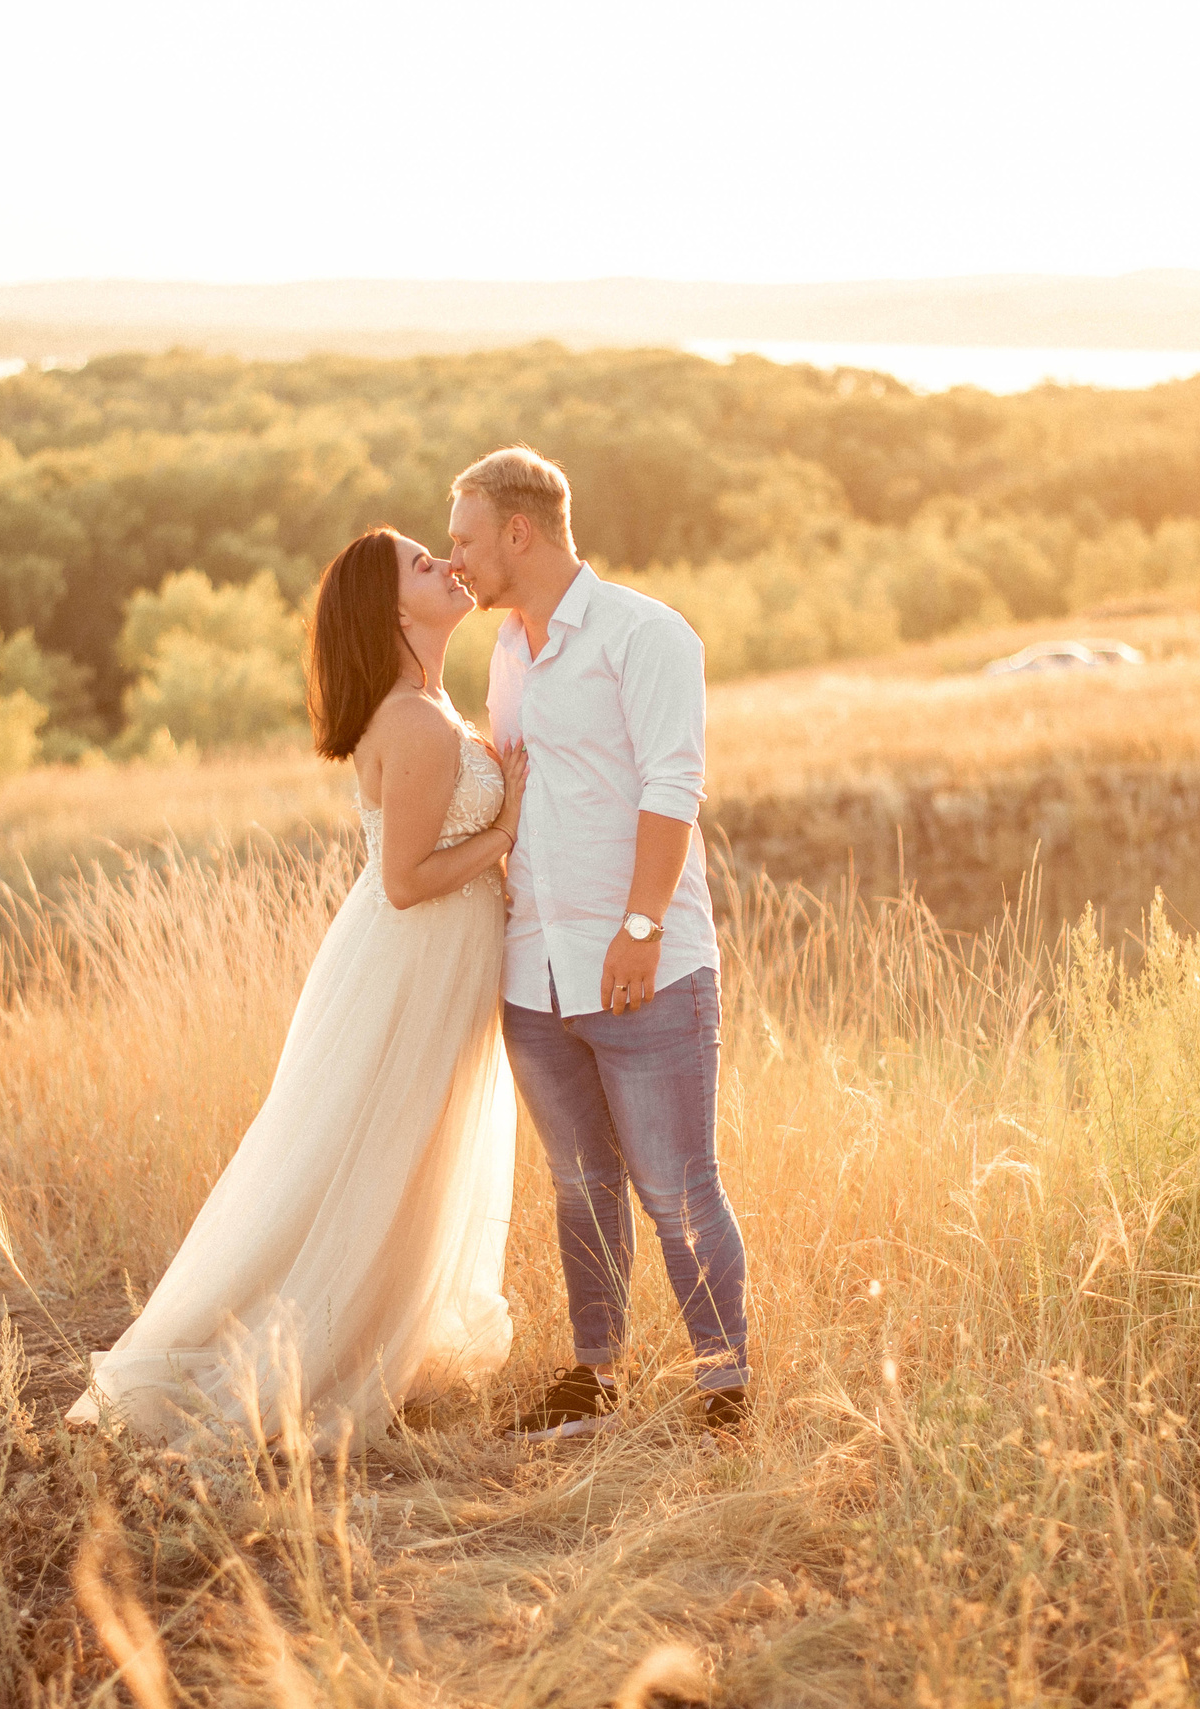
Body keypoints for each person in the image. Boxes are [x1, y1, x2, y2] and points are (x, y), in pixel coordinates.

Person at [64, 526, 527, 1451]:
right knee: (368, 1152)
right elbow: (405, 879)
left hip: (433, 962)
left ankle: (379, 1334)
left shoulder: (433, 705)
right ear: (394, 610)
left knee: (406, 1157)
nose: (445, 565)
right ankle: (308, 1355)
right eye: (422, 565)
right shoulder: (416, 720)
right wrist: (506, 827)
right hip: (412, 962)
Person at [446, 446, 752, 1442]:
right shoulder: (505, 652)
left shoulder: (644, 633)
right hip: (532, 968)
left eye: (465, 540)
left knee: (675, 1184)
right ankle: (595, 1373)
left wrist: (638, 927)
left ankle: (724, 1382)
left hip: (644, 965)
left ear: (518, 532)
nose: (456, 562)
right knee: (580, 1184)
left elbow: (673, 787)